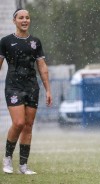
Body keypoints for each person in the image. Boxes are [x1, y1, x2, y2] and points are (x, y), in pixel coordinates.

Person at [0, 8, 52, 174]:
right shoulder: (5, 41)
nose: (24, 20)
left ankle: (23, 166)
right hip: (13, 87)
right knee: (19, 123)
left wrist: (48, 90)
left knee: (28, 126)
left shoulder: (35, 42)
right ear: (14, 21)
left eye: (27, 18)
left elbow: (42, 67)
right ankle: (7, 158)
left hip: (31, 87)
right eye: (21, 17)